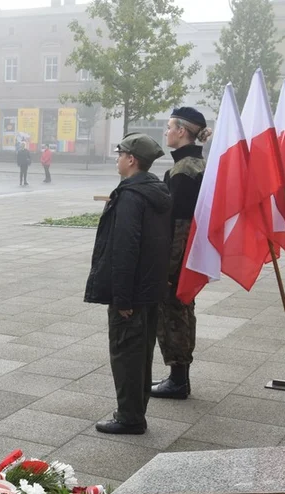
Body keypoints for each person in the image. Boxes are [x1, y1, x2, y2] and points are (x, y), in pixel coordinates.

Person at [84, 134, 172, 435]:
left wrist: (122, 300)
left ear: (131, 159)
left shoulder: (132, 197)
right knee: (141, 353)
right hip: (149, 290)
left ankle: (130, 417)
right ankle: (135, 410)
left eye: (120, 153)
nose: (117, 157)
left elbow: (124, 250)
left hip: (132, 293)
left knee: (126, 355)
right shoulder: (156, 191)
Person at [151, 107, 211, 400]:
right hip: (188, 255)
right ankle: (178, 377)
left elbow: (180, 225)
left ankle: (178, 380)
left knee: (173, 311)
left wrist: (168, 269)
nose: (166, 132)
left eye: (169, 127)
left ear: (182, 131)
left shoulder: (184, 171)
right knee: (183, 310)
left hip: (178, 256)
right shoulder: (193, 165)